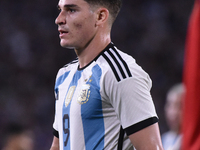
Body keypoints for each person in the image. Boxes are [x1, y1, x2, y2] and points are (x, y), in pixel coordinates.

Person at [50, 0, 164, 149]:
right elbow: (57, 146)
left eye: (71, 10)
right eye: (60, 10)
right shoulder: (64, 75)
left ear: (100, 16)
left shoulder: (121, 74)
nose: (59, 19)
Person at [162, 83, 185, 150]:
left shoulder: (193, 141)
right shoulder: (163, 139)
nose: (173, 112)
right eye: (169, 105)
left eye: (179, 106)